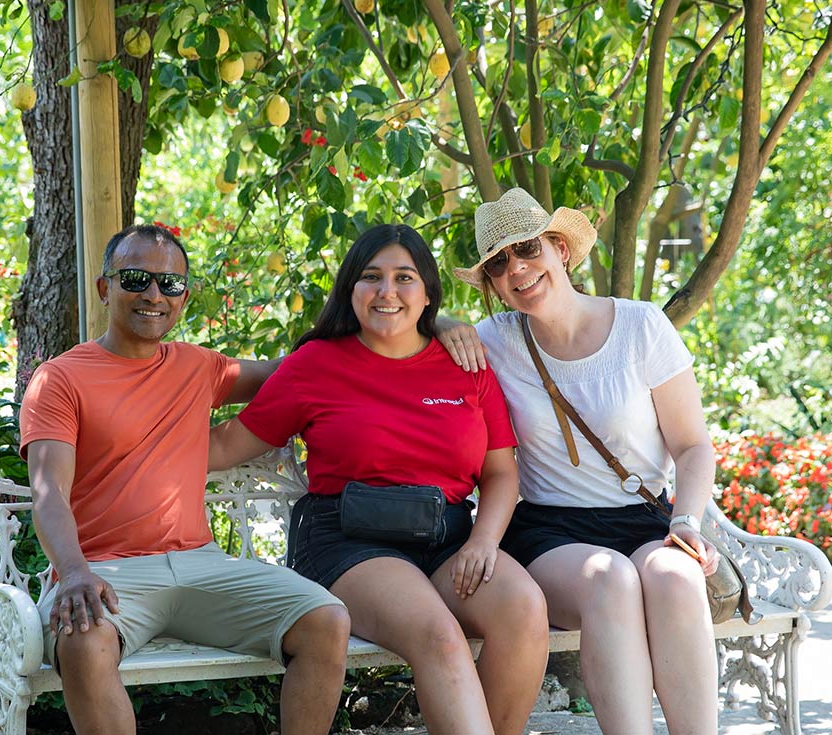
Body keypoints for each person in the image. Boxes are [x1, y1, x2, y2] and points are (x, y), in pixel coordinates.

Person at [208, 224, 550, 735]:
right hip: (348, 542)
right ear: (351, 289)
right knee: (438, 634)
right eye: (371, 277)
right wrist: (122, 437)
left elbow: (502, 472)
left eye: (404, 278)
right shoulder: (316, 365)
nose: (387, 291)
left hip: (447, 538)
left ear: (428, 292)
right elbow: (224, 445)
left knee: (523, 609)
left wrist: (483, 542)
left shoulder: (466, 364)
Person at [19, 224, 352, 735]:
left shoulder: (198, 367)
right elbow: (48, 492)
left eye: (169, 284)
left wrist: (433, 324)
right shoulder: (61, 378)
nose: (154, 295)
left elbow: (302, 369)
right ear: (105, 288)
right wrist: (73, 571)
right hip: (109, 574)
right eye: (136, 279)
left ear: (184, 298)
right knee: (82, 638)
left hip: (201, 565)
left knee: (325, 621)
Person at [449, 187, 721, 735]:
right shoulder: (493, 341)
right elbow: (412, 330)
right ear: (493, 286)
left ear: (560, 249)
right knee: (611, 580)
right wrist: (440, 325)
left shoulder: (643, 327)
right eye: (499, 264)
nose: (518, 269)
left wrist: (686, 524)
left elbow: (693, 447)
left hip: (645, 519)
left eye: (528, 249)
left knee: (674, 577)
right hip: (551, 531)